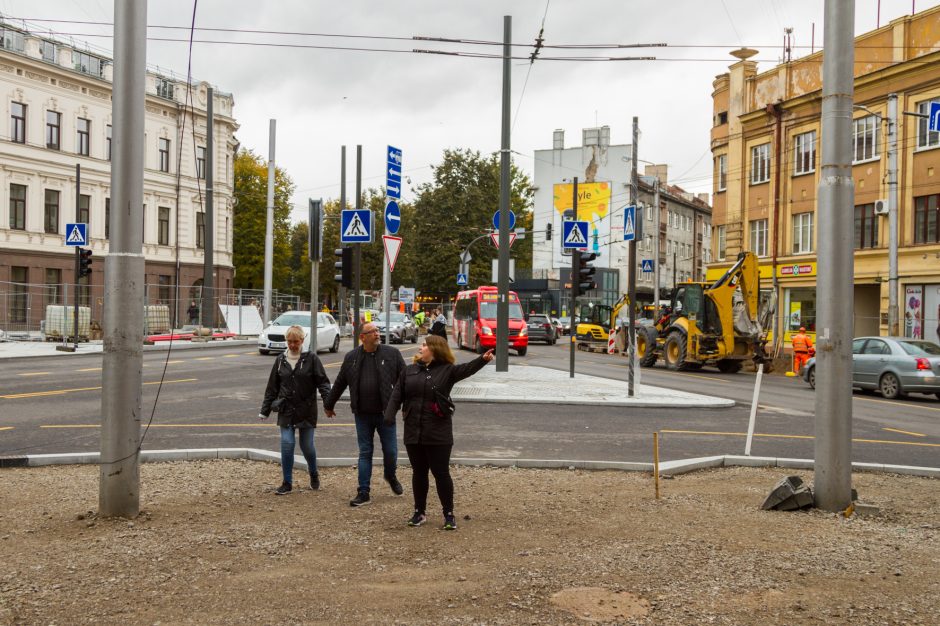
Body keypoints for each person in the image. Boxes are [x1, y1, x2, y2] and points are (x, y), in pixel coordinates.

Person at [384, 334, 494, 530]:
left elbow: (466, 369)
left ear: (434, 349)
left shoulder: (447, 370)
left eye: (424, 345)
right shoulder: (408, 371)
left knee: (441, 473)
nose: (420, 347)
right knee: (419, 473)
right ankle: (419, 512)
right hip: (413, 431)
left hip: (438, 432)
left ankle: (448, 514)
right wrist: (389, 415)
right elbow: (396, 395)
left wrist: (482, 360)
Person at [324, 321, 407, 507]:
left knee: (391, 452)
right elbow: (339, 383)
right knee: (365, 452)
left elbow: (405, 381)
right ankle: (363, 491)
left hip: (386, 414)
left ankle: (390, 475)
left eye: (378, 330)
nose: (377, 334)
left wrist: (407, 406)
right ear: (362, 337)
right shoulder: (351, 357)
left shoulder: (392, 354)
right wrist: (329, 404)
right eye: (373, 332)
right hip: (362, 414)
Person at [259, 325, 332, 495]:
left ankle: (313, 472)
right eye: (289, 341)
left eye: (295, 341)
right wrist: (265, 410)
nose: (292, 345)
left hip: (306, 408)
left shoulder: (311, 359)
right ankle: (287, 482)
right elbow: (272, 387)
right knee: (287, 444)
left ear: (302, 340)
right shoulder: (280, 360)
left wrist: (328, 403)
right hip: (286, 409)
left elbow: (323, 382)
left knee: (306, 446)